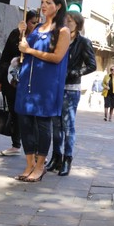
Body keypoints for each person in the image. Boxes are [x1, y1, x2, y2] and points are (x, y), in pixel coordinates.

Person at [14, 0, 71, 182]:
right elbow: (23, 50)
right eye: (42, 2)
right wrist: (22, 33)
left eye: (48, 2)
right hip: (27, 81)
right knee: (25, 122)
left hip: (46, 85)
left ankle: (40, 165)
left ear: (58, 6)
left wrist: (30, 50)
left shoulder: (63, 31)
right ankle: (29, 163)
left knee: (43, 124)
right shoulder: (37, 27)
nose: (44, 5)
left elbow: (57, 57)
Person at [47, 11, 96, 176]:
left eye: (71, 21)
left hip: (71, 88)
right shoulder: (59, 38)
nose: (67, 23)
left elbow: (92, 65)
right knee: (56, 125)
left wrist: (76, 72)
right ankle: (56, 157)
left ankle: (67, 159)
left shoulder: (83, 42)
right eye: (65, 20)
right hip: (56, 86)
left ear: (78, 24)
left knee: (68, 125)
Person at [0, 10, 38, 156]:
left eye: (37, 23)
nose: (35, 25)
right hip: (12, 80)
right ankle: (15, 144)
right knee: (14, 112)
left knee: (29, 115)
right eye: (32, 22)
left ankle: (34, 149)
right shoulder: (16, 33)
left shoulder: (39, 36)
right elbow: (6, 56)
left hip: (30, 81)